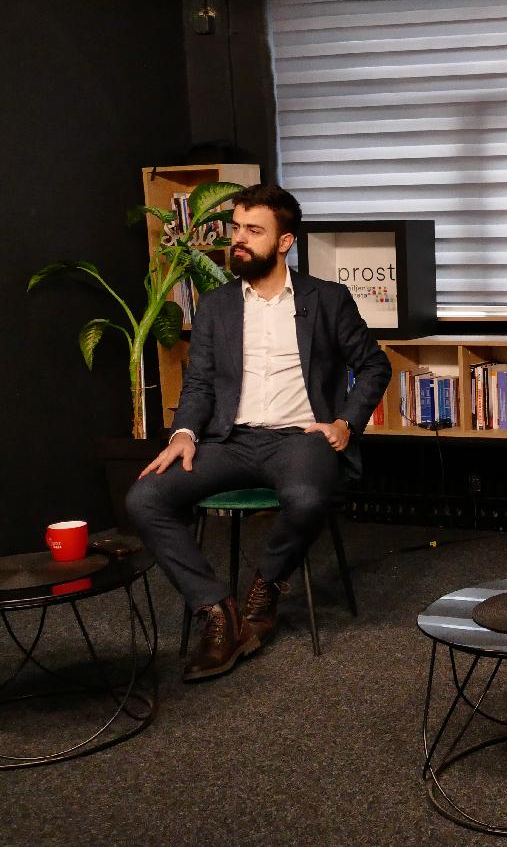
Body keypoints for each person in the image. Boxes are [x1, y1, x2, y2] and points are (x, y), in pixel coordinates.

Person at [126, 183, 390, 682]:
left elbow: (375, 365)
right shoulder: (216, 305)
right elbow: (199, 382)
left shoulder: (327, 299)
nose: (239, 240)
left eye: (253, 230)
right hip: (229, 440)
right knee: (145, 498)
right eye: (236, 228)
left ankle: (266, 586)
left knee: (308, 497)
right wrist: (184, 433)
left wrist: (344, 423)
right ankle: (219, 612)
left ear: (285, 241)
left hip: (299, 439)